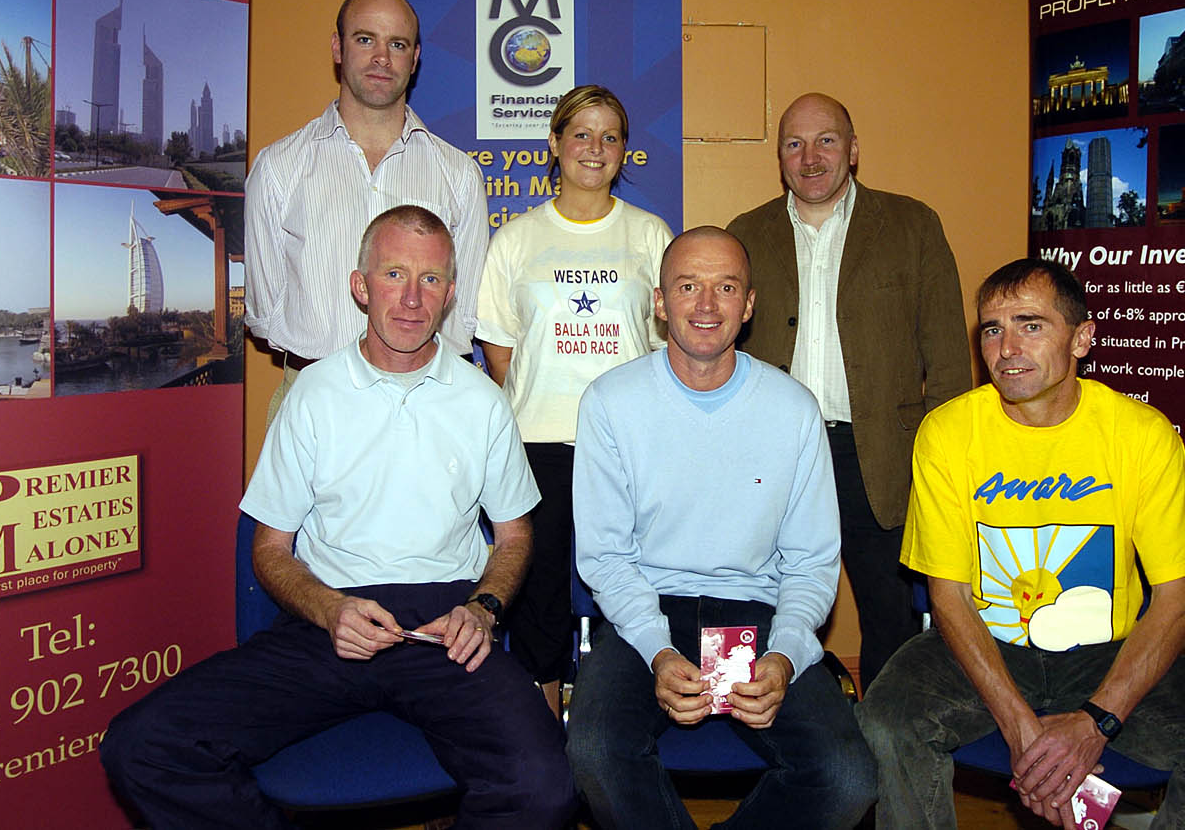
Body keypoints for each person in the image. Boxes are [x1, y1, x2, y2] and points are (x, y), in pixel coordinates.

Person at [101, 206, 576, 830]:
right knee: (141, 746)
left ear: (451, 293)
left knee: (547, 789)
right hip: (328, 619)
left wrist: (483, 609)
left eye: (431, 279)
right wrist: (329, 610)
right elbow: (270, 550)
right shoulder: (312, 395)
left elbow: (515, 536)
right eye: (394, 274)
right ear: (361, 285)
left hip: (445, 626)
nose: (411, 298)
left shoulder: (484, 401)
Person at [855, 258, 1185, 829]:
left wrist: (1095, 724)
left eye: (1031, 325)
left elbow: (1175, 602)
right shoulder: (947, 432)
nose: (1007, 346)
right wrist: (1023, 733)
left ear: (1082, 338)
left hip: (1104, 654)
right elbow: (949, 597)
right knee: (887, 724)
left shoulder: (1141, 434)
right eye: (992, 329)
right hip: (980, 644)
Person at [566, 227, 879, 830]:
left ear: (750, 305)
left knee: (848, 779)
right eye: (688, 286)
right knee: (594, 754)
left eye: (726, 287)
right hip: (645, 613)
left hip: (757, 615)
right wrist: (656, 648)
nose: (706, 305)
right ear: (659, 303)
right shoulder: (611, 401)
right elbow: (605, 556)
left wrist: (785, 655)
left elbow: (812, 561)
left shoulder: (792, 408)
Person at [727, 92, 970, 689]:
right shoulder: (745, 234)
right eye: (794, 144)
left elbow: (947, 363)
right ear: (779, 158)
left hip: (882, 459)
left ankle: (886, 745)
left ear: (854, 150)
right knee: (763, 604)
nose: (810, 157)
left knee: (891, 613)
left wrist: (944, 466)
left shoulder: (913, 225)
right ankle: (778, 729)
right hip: (773, 456)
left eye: (826, 140)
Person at [476, 85, 672, 703]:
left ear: (624, 152)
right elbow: (502, 355)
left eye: (610, 136)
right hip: (539, 440)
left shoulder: (650, 235)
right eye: (581, 134)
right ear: (555, 143)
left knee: (633, 583)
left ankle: (624, 708)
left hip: (628, 445)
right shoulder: (515, 240)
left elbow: (667, 345)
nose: (595, 148)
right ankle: (545, 708)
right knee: (539, 588)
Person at [246, 0, 489, 419]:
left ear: (414, 59)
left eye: (397, 44)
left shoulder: (459, 175)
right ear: (338, 48)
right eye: (365, 39)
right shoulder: (280, 167)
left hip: (428, 405)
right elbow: (265, 314)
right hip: (313, 402)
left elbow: (461, 312)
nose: (382, 57)